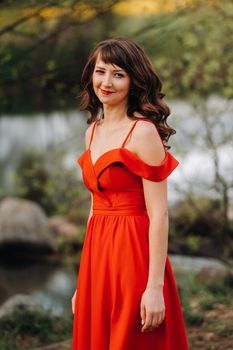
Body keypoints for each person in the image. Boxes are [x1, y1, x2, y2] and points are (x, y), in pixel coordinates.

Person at [72, 37, 189, 350]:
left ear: (134, 81)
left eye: (118, 74)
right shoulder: (92, 131)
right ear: (90, 75)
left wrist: (155, 287)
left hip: (133, 253)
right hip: (97, 254)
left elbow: (159, 214)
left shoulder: (143, 132)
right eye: (100, 71)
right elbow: (94, 209)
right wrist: (81, 281)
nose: (106, 82)